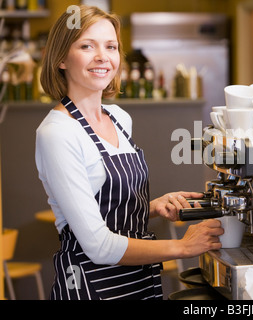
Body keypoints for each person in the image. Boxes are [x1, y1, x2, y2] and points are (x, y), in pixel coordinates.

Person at [35, 5, 223, 300]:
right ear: (61, 58)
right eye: (87, 46)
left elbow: (100, 211)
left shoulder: (119, 118)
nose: (103, 57)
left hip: (140, 280)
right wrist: (183, 247)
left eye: (111, 46)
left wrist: (149, 207)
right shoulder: (58, 133)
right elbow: (97, 243)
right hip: (92, 286)